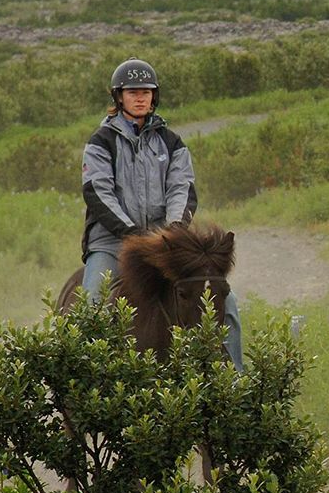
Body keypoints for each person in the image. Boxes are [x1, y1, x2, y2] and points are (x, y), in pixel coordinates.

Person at [81, 57, 244, 370]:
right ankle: (85, 384)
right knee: (92, 305)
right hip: (111, 243)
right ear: (119, 97)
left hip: (163, 244)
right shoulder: (100, 142)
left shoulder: (172, 143)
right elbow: (98, 192)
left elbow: (181, 189)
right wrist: (131, 232)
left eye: (146, 91)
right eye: (132, 92)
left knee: (226, 301)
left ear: (154, 96)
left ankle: (234, 378)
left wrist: (172, 232)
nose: (140, 97)